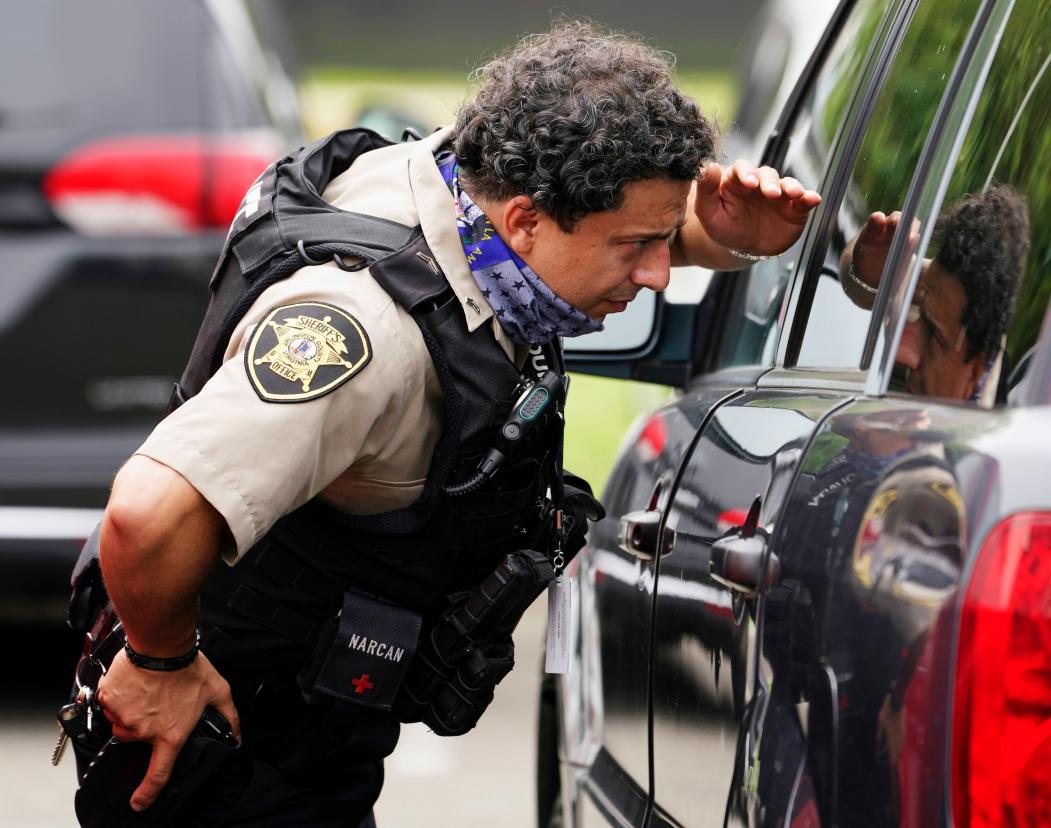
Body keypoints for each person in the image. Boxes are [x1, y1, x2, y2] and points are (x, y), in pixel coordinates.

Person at [86, 22, 822, 826]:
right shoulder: (367, 338)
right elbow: (146, 514)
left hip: (311, 728)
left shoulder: (466, 182)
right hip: (226, 751)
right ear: (526, 222)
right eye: (639, 246)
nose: (655, 274)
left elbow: (600, 224)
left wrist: (721, 237)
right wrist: (160, 663)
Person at [839, 186, 1029, 401]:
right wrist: (869, 268)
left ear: (977, 372)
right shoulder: (948, 304)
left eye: (934, 337)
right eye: (918, 313)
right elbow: (857, 274)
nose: (900, 353)